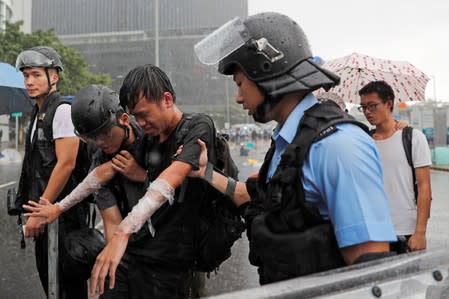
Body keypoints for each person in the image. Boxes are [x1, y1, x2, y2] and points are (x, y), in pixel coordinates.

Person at [191, 12, 397, 285]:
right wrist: (204, 171)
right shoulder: (287, 142)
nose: (239, 97)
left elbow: (369, 270)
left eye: (240, 84)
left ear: (266, 71)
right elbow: (253, 198)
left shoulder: (338, 145)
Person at [88, 64, 215, 298]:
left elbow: (173, 176)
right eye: (136, 117)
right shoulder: (147, 140)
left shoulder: (197, 126)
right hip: (144, 255)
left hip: (179, 261)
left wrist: (123, 232)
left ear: (167, 99)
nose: (141, 123)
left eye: (144, 115)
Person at [23, 84, 148, 243]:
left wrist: (143, 176)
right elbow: (112, 223)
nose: (101, 142)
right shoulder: (100, 160)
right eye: (92, 138)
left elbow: (178, 187)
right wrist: (114, 259)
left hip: (168, 232)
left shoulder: (151, 138)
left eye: (105, 134)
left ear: (123, 119)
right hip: (131, 230)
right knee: (80, 247)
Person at [14, 46, 89, 298]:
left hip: (63, 218)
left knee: (67, 288)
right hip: (46, 215)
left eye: (36, 74)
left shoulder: (63, 111)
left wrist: (40, 213)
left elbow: (66, 164)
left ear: (53, 77)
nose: (29, 81)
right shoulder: (38, 113)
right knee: (51, 284)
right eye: (26, 76)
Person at [358, 81, 432, 253]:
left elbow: (424, 187)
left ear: (389, 104)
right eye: (363, 107)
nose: (367, 112)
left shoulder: (413, 138)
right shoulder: (363, 142)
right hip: (373, 232)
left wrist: (420, 233)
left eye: (372, 105)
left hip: (406, 230)